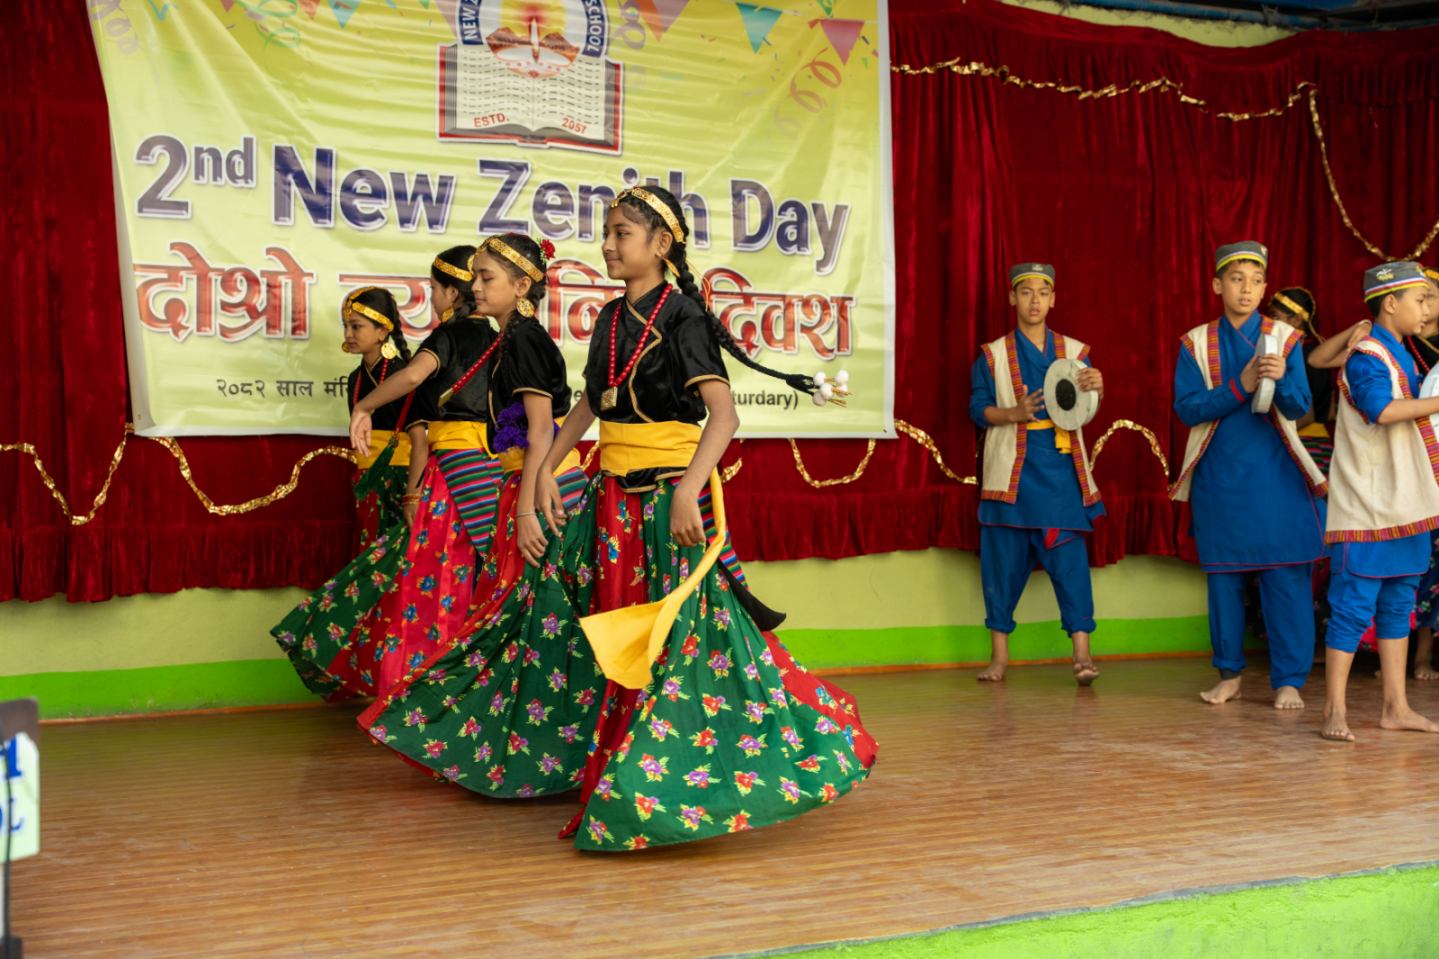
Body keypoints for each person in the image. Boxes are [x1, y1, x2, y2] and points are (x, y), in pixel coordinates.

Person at [535, 184, 877, 851]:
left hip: (669, 500)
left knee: (681, 639)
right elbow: (593, 404)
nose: (608, 245)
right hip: (613, 501)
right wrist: (548, 466)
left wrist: (689, 489)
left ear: (661, 244)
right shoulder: (609, 318)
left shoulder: (683, 315)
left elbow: (724, 415)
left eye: (621, 233)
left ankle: (678, 778)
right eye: (606, 233)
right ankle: (620, 771)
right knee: (619, 634)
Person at [358, 233, 599, 798]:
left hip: (546, 491)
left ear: (522, 286)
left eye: (486, 278)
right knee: (525, 620)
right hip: (528, 484)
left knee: (545, 619)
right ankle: (534, 749)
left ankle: (554, 750)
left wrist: (527, 509)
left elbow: (541, 431)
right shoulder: (508, 339)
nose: (476, 287)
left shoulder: (525, 340)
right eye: (474, 278)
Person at [1170, 242, 1326, 709]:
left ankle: (1289, 680)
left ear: (1264, 289)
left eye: (1256, 281)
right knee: (1224, 581)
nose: (1246, 289)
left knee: (1286, 578)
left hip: (1277, 478)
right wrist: (1242, 385)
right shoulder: (1195, 344)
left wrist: (1282, 380)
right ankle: (1229, 674)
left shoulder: (1286, 339)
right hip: (1221, 479)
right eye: (1236, 279)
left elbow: (1299, 407)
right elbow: (1188, 409)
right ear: (1217, 285)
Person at [273, 287, 426, 700]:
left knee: (395, 583)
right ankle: (370, 677)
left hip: (400, 488)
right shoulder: (358, 379)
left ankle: (401, 678)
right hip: (369, 489)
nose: (349, 334)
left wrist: (412, 496)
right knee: (370, 583)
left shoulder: (404, 373)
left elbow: (420, 439)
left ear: (383, 330)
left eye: (357, 326)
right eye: (346, 326)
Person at [1315, 262, 1439, 741]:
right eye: (1420, 300)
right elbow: (1382, 410)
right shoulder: (1368, 354)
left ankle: (1395, 706)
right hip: (1369, 506)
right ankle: (1334, 711)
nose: (1428, 310)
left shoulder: (1401, 352)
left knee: (1398, 604)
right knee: (1352, 608)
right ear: (1390, 302)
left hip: (1406, 501)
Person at [968, 263, 1104, 685]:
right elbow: (977, 408)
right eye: (1026, 292)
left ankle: (1082, 654)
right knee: (1001, 567)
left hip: (1060, 476)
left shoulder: (1076, 352)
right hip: (1011, 476)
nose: (1034, 301)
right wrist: (1014, 412)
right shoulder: (992, 355)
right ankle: (999, 658)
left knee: (1070, 566)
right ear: (1013, 298)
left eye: (1042, 293)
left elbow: (1086, 408)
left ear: (1053, 299)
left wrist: (1097, 387)